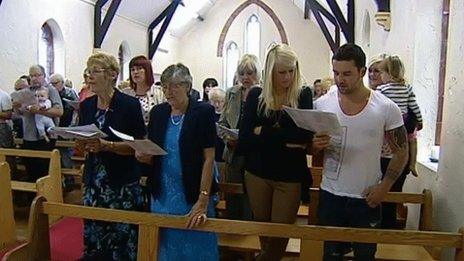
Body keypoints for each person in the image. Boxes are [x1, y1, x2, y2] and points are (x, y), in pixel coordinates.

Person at [312, 43, 408, 260]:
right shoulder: (322, 104)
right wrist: (315, 146)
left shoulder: (385, 107)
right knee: (330, 256)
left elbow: (401, 151)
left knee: (365, 256)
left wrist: (385, 187)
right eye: (336, 73)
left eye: (347, 74)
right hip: (331, 195)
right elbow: (313, 148)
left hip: (366, 198)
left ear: (362, 72)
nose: (340, 79)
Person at [239, 44, 313, 261]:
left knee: (280, 233)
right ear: (270, 71)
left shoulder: (303, 95)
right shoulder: (256, 96)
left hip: (289, 175)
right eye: (282, 72)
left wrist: (263, 132)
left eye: (292, 71)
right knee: (265, 231)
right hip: (257, 173)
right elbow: (244, 140)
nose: (288, 77)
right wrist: (284, 137)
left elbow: (303, 138)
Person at [137, 63, 219, 261]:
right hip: (163, 194)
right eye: (165, 86)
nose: (168, 91)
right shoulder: (158, 113)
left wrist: (203, 199)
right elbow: (153, 150)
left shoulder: (203, 112)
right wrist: (143, 155)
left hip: (191, 193)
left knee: (196, 248)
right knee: (167, 250)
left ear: (188, 86)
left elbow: (209, 158)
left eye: (174, 86)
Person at [76, 53, 146, 260]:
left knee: (121, 237)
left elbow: (140, 146)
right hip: (94, 181)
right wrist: (80, 142)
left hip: (121, 183)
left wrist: (109, 146)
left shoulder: (128, 105)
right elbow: (82, 140)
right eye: (88, 72)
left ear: (112, 75)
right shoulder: (86, 105)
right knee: (94, 235)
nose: (89, 77)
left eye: (94, 71)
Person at [377, 55, 423, 228]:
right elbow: (415, 107)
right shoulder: (407, 88)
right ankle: (411, 163)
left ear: (388, 73)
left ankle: (384, 222)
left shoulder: (382, 90)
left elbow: (376, 107)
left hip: (389, 124)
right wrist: (420, 121)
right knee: (406, 144)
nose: (380, 76)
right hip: (402, 124)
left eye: (381, 72)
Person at [218, 54, 261, 221]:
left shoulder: (263, 94)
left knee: (252, 197)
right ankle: (233, 231)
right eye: (242, 73)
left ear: (258, 74)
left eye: (250, 73)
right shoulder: (232, 93)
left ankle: (250, 233)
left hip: (255, 154)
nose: (245, 78)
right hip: (233, 152)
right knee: (233, 196)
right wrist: (226, 138)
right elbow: (222, 122)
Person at [12, 65, 63, 181]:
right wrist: (16, 107)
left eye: (38, 75)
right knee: (30, 169)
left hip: (46, 136)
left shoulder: (51, 90)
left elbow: (59, 111)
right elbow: (19, 113)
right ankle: (32, 196)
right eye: (32, 75)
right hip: (29, 135)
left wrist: (40, 110)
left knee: (44, 170)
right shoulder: (24, 92)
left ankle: (47, 195)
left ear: (44, 76)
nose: (34, 78)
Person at [50, 73, 80, 188]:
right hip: (54, 126)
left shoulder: (70, 92)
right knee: (55, 153)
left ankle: (69, 180)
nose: (53, 86)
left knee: (65, 152)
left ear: (62, 83)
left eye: (55, 83)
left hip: (67, 126)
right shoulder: (50, 93)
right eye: (51, 83)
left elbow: (76, 108)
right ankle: (56, 180)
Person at [122, 55, 165, 124]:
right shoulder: (125, 93)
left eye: (139, 68)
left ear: (147, 71)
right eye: (132, 69)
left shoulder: (160, 93)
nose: (135, 72)